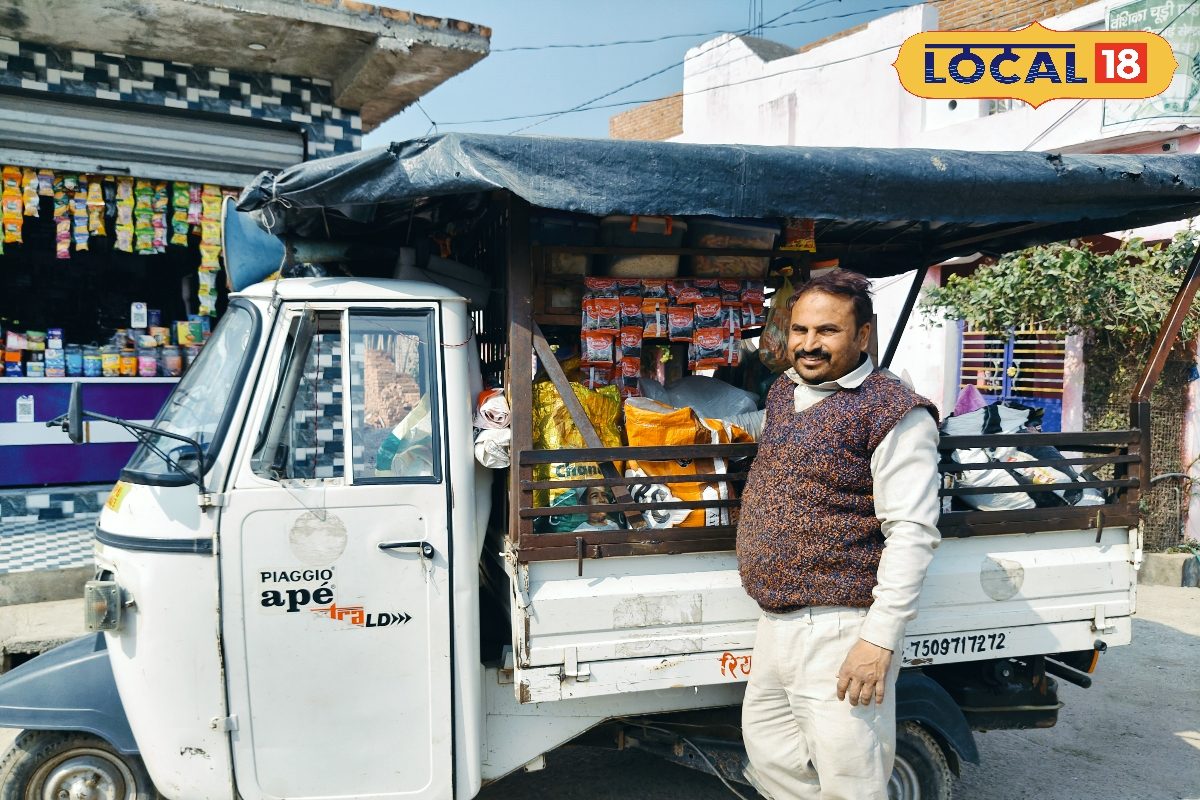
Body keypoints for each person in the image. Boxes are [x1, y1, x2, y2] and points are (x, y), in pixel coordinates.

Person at [735, 269, 941, 799]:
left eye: (827, 331)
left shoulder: (894, 412)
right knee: (771, 761)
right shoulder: (786, 391)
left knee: (852, 778)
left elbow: (913, 532)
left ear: (863, 335)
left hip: (840, 628)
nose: (808, 345)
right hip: (775, 619)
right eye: (800, 330)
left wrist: (877, 640)